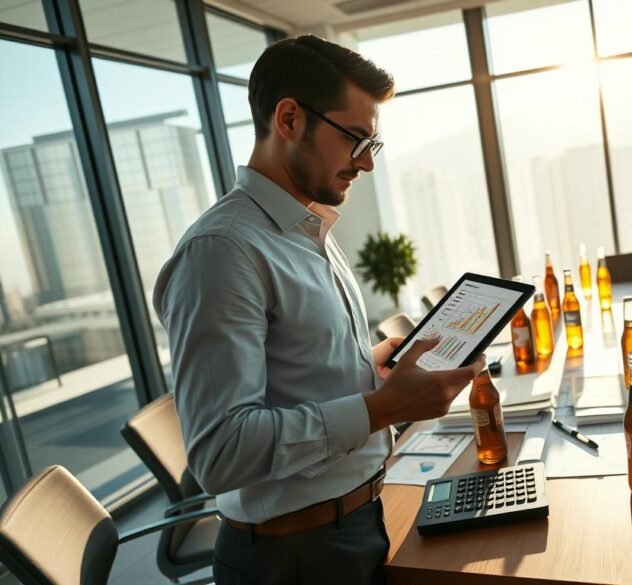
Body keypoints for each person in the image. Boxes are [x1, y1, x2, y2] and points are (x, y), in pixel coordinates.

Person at [152, 35, 483, 584]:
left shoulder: (308, 231)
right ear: (288, 119)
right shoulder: (223, 252)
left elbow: (301, 369)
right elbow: (220, 453)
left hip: (356, 521)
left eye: (372, 147)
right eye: (356, 140)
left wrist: (375, 363)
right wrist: (380, 410)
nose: (366, 165)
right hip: (294, 557)